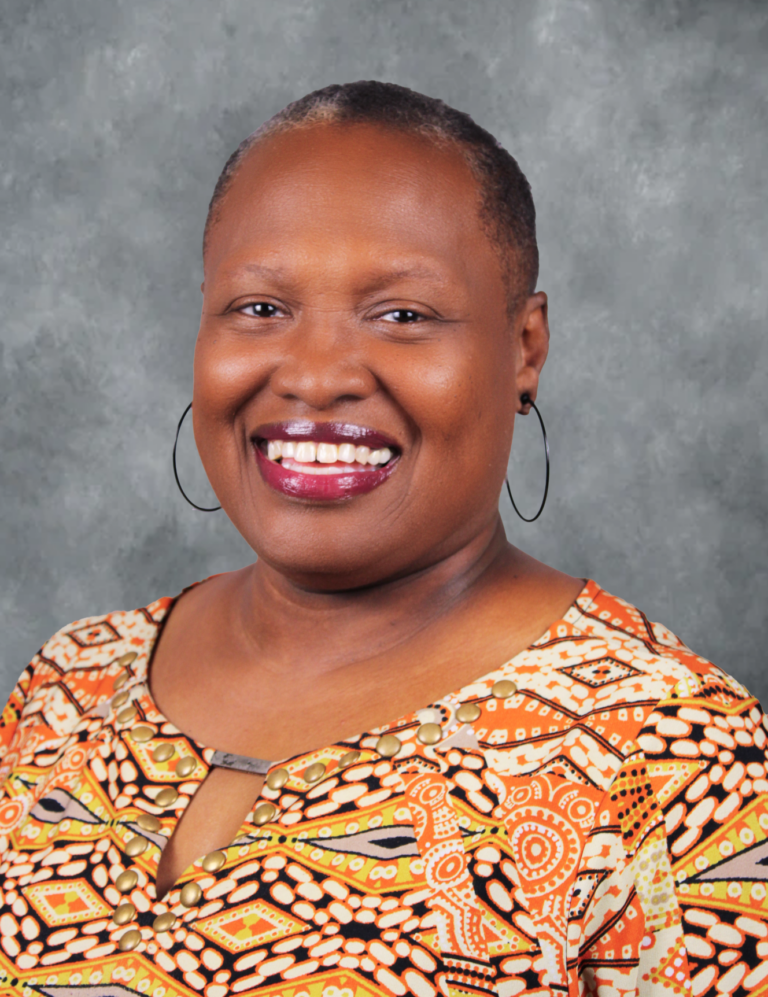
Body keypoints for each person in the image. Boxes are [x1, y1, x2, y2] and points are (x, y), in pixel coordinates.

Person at [0, 81, 764, 997]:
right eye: (259, 308)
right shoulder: (70, 687)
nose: (316, 376)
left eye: (402, 314)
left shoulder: (673, 754)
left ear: (525, 346)